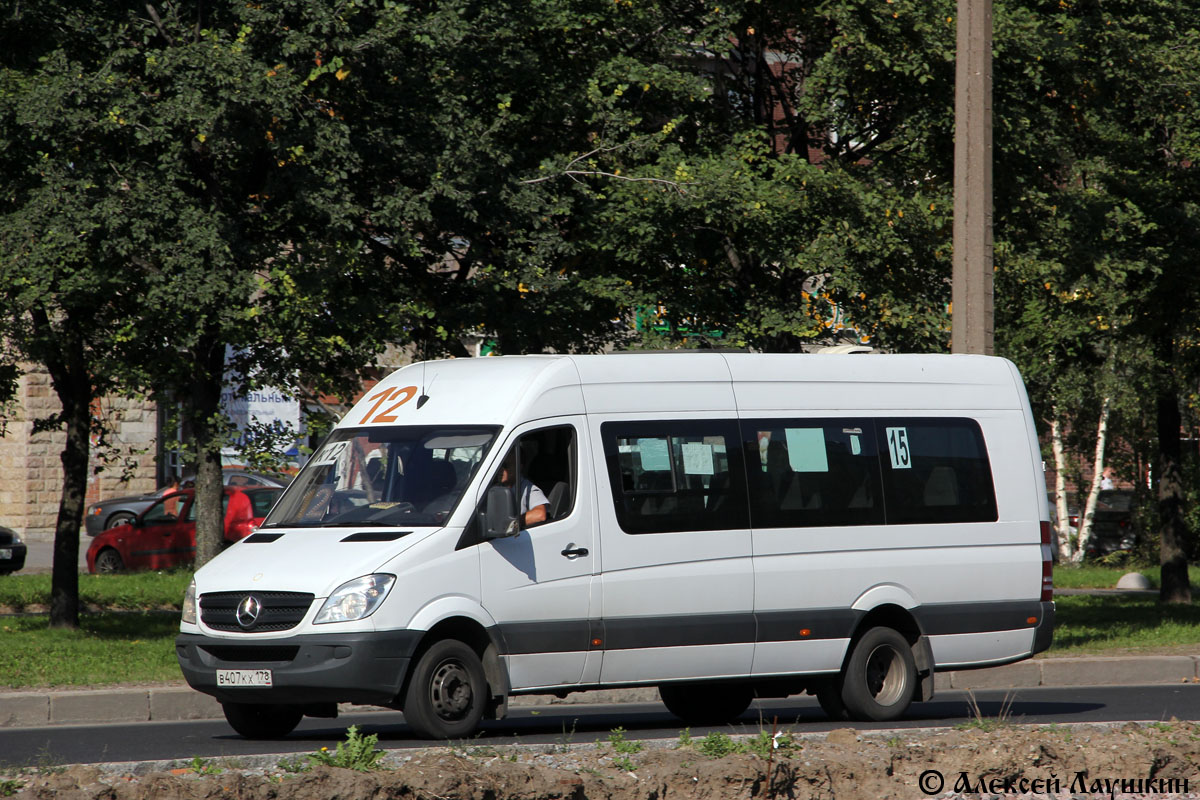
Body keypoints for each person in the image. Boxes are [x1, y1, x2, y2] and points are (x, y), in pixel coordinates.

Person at [499, 455, 548, 527]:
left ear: (519, 467)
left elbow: (540, 514)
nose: (500, 469)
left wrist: (510, 524)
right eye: (499, 465)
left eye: (506, 465)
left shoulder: (528, 488)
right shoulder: (495, 486)